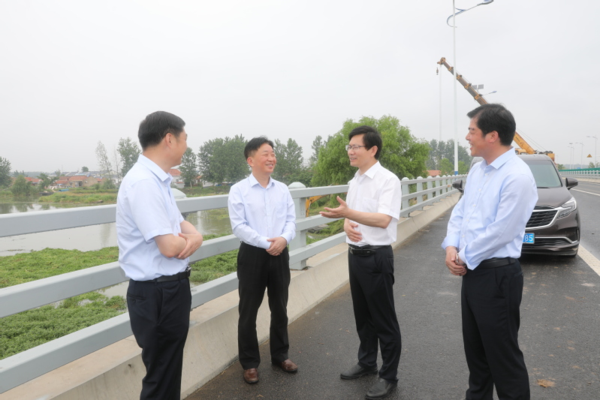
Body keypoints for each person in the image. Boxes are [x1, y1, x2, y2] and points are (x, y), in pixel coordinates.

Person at [442, 103, 537, 400]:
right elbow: (461, 212)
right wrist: (451, 246)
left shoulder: (517, 176)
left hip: (497, 277)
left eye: (472, 131)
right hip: (473, 273)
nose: (467, 137)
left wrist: (463, 256)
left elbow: (502, 231)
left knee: (503, 358)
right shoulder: (478, 170)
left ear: (492, 135)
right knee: (477, 357)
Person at [116, 111, 204, 400]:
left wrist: (196, 236)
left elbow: (180, 224)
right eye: (184, 139)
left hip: (167, 291)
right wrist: (192, 239)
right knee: (161, 378)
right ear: (169, 139)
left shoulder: (158, 180)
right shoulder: (143, 182)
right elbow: (168, 246)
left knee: (167, 373)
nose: (186, 146)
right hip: (158, 294)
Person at [320, 125, 402, 400]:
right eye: (350, 147)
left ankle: (388, 375)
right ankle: (367, 362)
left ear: (372, 149)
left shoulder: (388, 180)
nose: (350, 151)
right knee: (363, 316)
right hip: (355, 255)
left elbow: (383, 219)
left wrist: (348, 214)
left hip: (376, 257)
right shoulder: (355, 180)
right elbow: (351, 215)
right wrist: (345, 222)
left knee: (383, 319)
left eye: (356, 147)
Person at [227, 136, 298, 384]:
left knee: (280, 308)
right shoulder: (239, 190)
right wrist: (266, 243)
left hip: (280, 252)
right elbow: (238, 226)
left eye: (273, 154)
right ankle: (249, 363)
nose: (271, 158)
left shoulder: (283, 189)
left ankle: (280, 356)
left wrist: (284, 239)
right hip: (253, 255)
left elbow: (291, 220)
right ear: (251, 160)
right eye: (266, 154)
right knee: (248, 312)